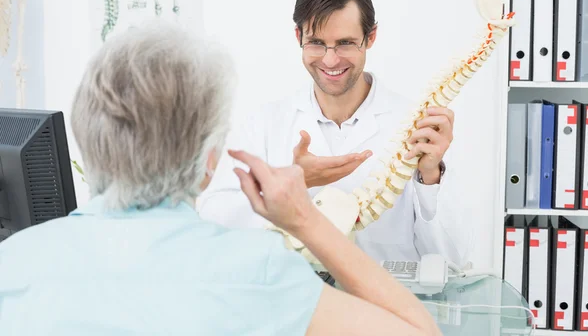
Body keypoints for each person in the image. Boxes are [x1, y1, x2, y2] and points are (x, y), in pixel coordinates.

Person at [0, 20, 441, 335]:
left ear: (86, 132)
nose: (331, 57)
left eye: (344, 42)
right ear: (210, 158)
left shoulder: (13, 262)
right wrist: (304, 218)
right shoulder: (259, 272)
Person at [198, 0, 471, 267]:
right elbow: (214, 220)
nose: (330, 60)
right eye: (316, 42)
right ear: (298, 37)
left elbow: (453, 259)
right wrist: (293, 185)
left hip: (384, 307)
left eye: (345, 43)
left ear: (370, 38)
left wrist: (430, 177)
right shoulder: (264, 124)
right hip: (294, 304)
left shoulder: (419, 128)